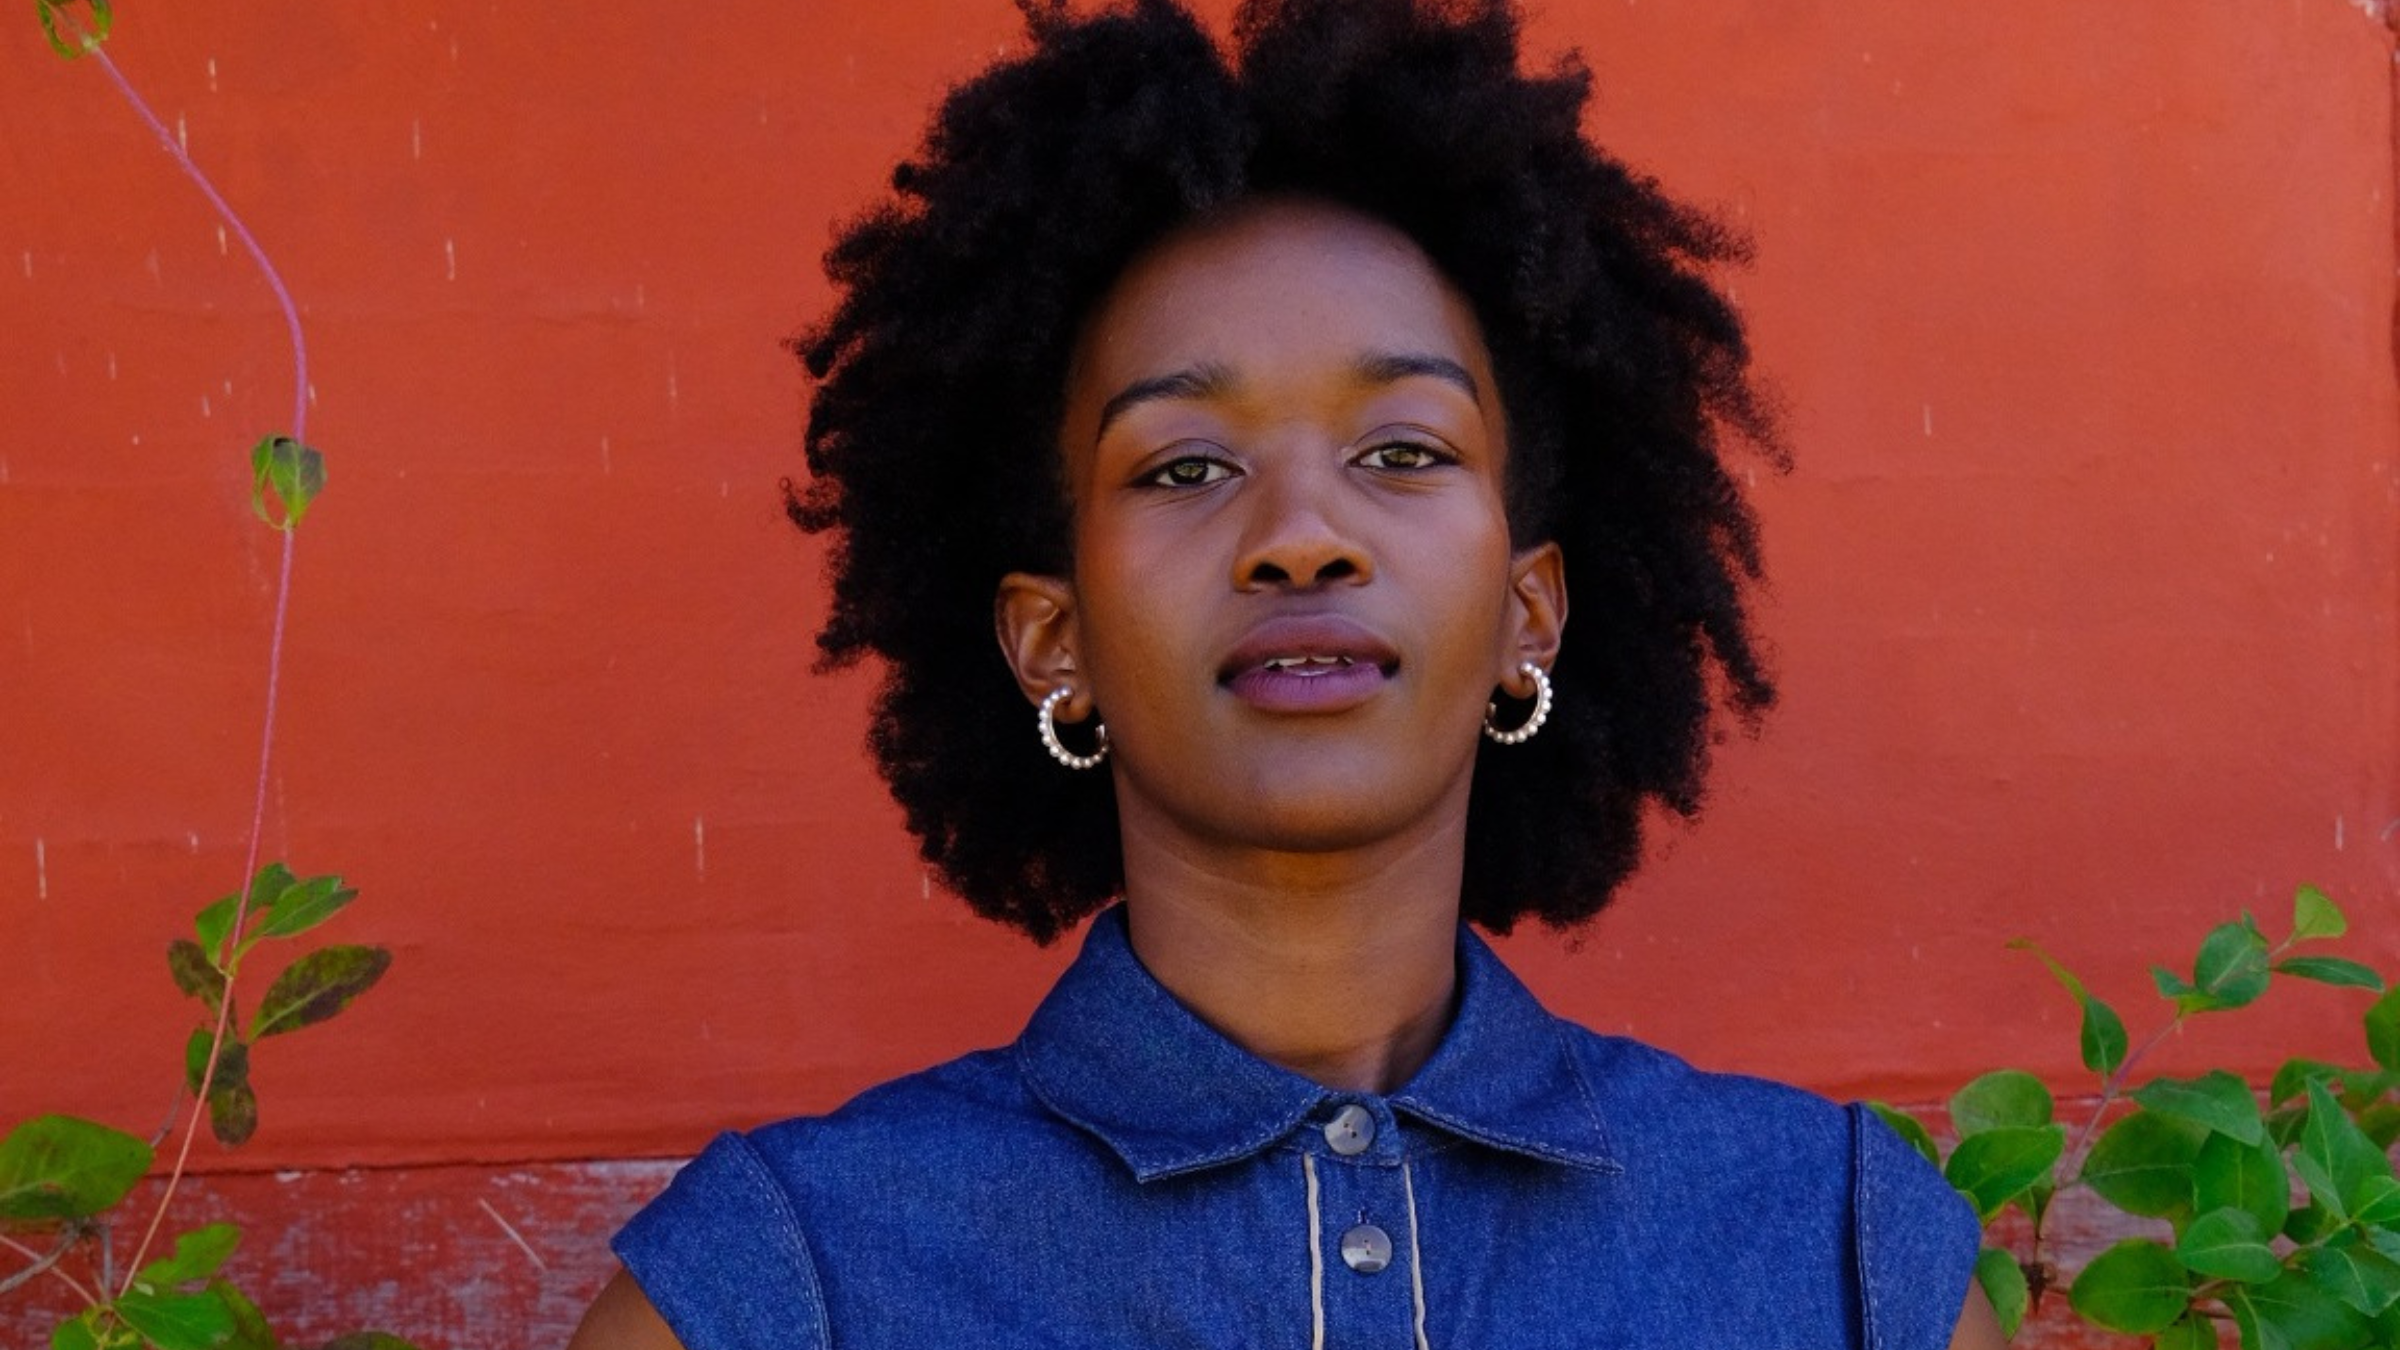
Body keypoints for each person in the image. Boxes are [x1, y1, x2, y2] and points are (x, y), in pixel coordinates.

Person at [571, 0, 2007, 1345]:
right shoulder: (783, 1290)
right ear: (1055, 639)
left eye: (1404, 450)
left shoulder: (1841, 1262)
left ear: (1529, 614)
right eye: (1185, 466)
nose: (1302, 535)